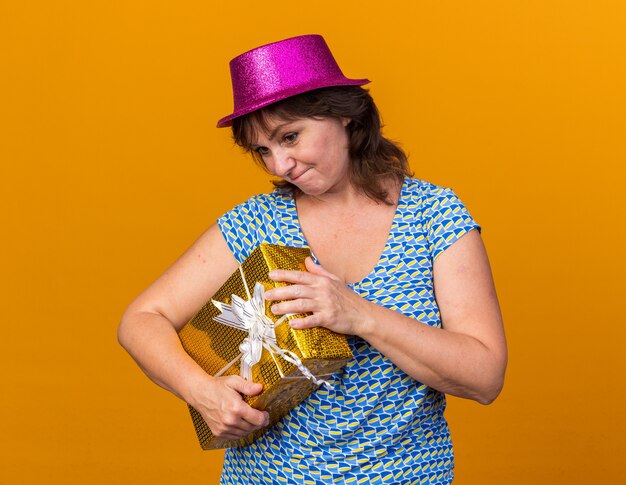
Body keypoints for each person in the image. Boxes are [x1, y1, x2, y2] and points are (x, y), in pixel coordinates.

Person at [118, 34, 507, 484]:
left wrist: (359, 313)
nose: (280, 164)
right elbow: (141, 319)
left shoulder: (434, 218)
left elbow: (484, 376)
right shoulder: (256, 222)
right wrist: (200, 390)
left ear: (344, 114)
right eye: (262, 151)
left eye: (290, 137)